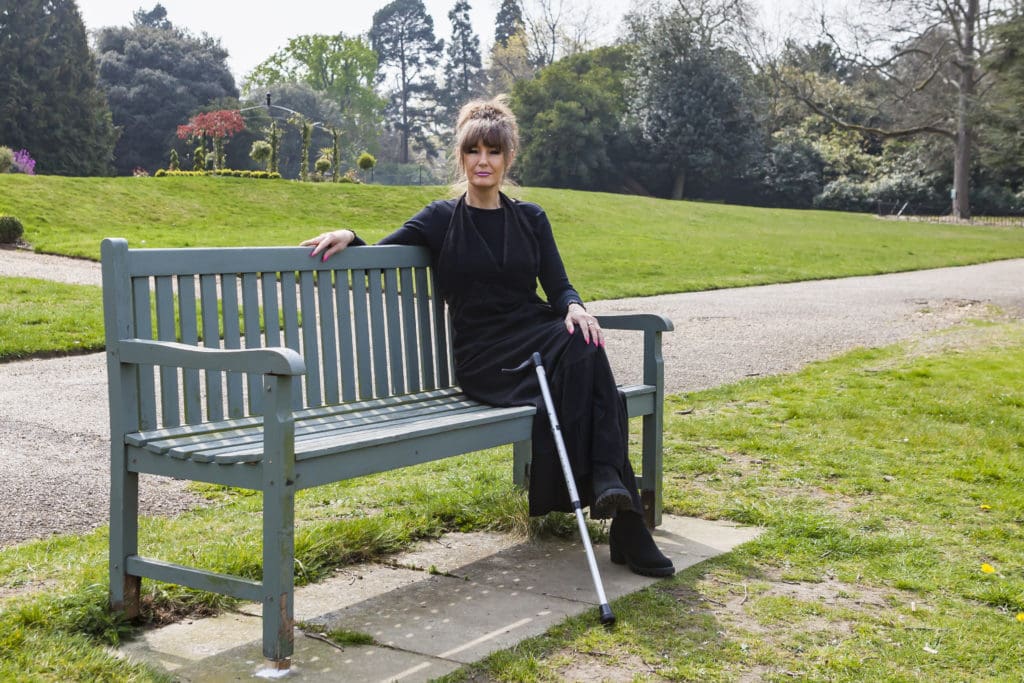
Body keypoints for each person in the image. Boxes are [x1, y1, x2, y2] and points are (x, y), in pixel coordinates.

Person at [302, 96, 673, 578]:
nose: (483, 161)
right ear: (461, 156)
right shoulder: (440, 219)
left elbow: (557, 286)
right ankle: (624, 518)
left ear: (508, 159)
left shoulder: (530, 218)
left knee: (586, 340)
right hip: (486, 359)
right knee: (586, 373)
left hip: (536, 334)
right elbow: (379, 258)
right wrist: (350, 233)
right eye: (474, 150)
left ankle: (616, 499)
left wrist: (577, 307)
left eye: (493, 152)